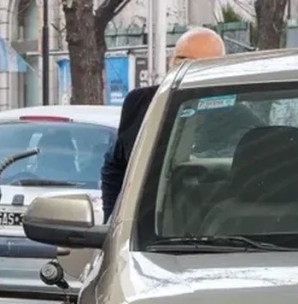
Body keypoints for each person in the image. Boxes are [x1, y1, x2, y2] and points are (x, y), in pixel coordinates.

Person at [99, 26, 263, 222]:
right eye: (182, 60)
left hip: (208, 230)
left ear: (221, 67)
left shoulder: (240, 120)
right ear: (171, 60)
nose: (188, 69)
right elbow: (116, 164)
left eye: (202, 63)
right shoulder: (142, 103)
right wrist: (112, 220)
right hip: (141, 230)